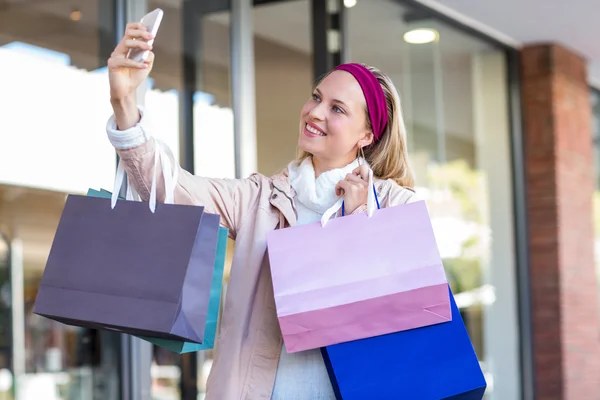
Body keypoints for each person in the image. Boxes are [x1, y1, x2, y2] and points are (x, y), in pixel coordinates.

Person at [106, 22, 417, 400]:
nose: (315, 112)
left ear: (366, 136)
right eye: (316, 97)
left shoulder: (398, 206)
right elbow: (169, 188)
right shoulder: (259, 200)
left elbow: (403, 312)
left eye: (336, 108)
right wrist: (123, 101)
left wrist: (355, 224)